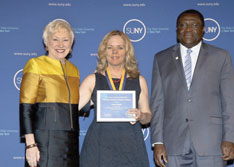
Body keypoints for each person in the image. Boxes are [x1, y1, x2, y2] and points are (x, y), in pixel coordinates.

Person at [150, 9, 234, 167]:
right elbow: (157, 103)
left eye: (194, 25)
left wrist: (229, 139)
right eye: (183, 25)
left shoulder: (221, 57)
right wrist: (157, 142)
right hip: (173, 145)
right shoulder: (161, 58)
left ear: (203, 29)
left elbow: (229, 101)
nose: (188, 29)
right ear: (177, 29)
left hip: (212, 145)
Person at [78, 30, 151, 167]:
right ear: (104, 51)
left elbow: (148, 116)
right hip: (99, 144)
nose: (115, 52)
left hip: (131, 145)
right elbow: (71, 107)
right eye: (110, 48)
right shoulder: (92, 80)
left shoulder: (139, 80)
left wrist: (141, 115)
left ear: (127, 51)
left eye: (120, 47)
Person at [19, 19, 80, 167]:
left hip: (70, 142)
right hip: (45, 141)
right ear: (47, 43)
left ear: (71, 44)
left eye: (65, 40)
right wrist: (30, 144)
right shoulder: (35, 65)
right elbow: (26, 107)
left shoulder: (74, 70)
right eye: (55, 39)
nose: (61, 44)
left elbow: (78, 106)